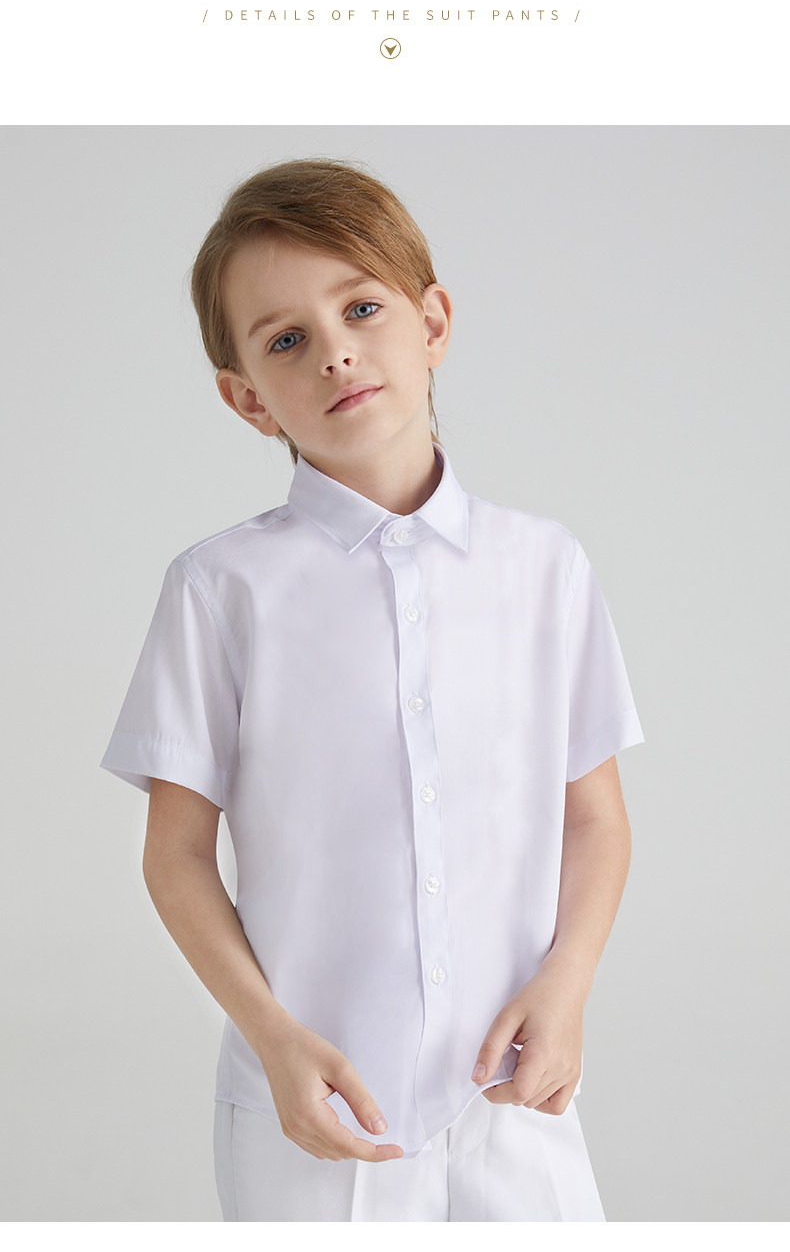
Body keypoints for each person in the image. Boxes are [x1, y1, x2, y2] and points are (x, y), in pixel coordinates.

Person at [101, 157, 644, 1221]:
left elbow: (593, 818)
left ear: (431, 322)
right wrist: (272, 1038)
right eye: (285, 339)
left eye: (361, 308)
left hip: (514, 1095)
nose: (335, 351)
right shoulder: (221, 590)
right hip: (317, 1112)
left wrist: (567, 985)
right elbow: (176, 854)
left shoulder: (544, 568)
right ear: (246, 398)